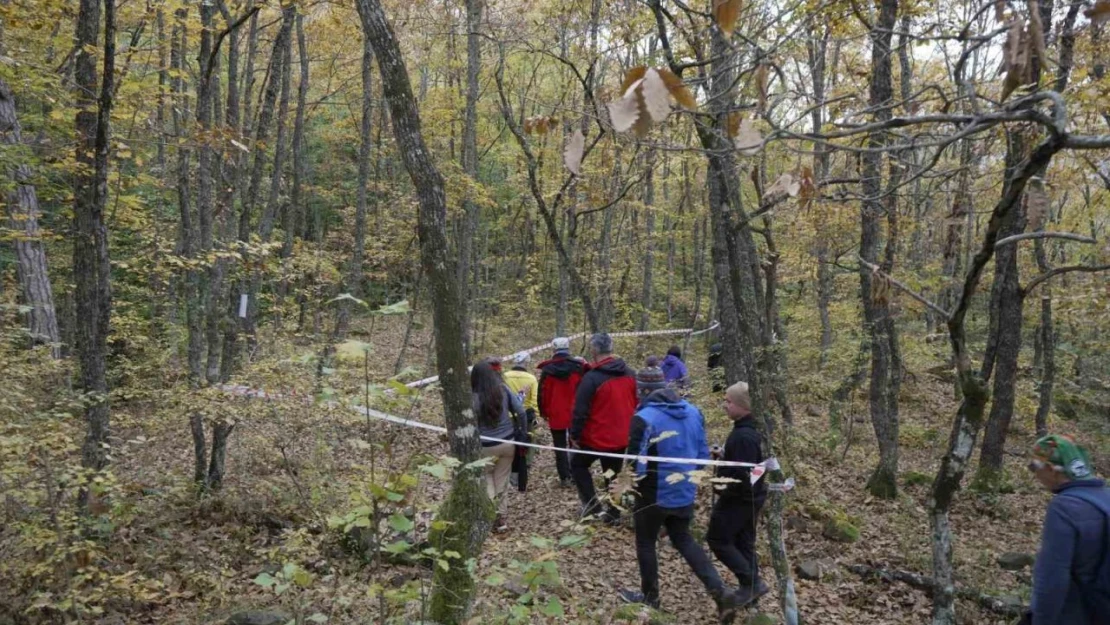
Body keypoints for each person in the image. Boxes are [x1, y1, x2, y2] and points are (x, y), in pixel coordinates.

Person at [617, 366, 742, 620]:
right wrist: (689, 483)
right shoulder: (694, 411)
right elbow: (701, 454)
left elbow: (634, 459)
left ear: (643, 391)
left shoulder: (644, 417)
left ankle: (650, 598)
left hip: (652, 491)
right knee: (683, 539)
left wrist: (628, 487)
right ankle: (720, 592)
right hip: (684, 489)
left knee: (645, 542)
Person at [1022, 434, 1110, 625]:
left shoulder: (1064, 508)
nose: (1034, 474)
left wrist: (1041, 620)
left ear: (1053, 470)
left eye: (1034, 466)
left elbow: (1052, 577)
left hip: (1076, 613)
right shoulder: (1106, 497)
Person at [707, 382, 769, 606]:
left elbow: (745, 474)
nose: (725, 405)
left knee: (717, 538)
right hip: (748, 498)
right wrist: (723, 456)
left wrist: (726, 487)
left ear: (743, 405)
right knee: (743, 544)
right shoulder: (744, 431)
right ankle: (751, 594)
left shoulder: (744, 436)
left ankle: (751, 583)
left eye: (729, 402)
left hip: (739, 499)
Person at [570, 332, 638, 524]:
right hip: (621, 437)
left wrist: (574, 435)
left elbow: (580, 410)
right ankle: (613, 513)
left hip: (595, 438)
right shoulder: (630, 373)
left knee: (578, 465)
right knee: (611, 473)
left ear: (593, 350)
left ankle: (592, 506)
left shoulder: (592, 378)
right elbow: (637, 402)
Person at [471, 360, 525, 532]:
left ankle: (490, 515)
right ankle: (501, 518)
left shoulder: (472, 397)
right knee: (502, 479)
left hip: (484, 445)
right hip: (508, 442)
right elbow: (521, 411)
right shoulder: (503, 389)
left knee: (487, 478)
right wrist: (522, 431)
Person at [537, 337, 586, 488]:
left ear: (554, 349)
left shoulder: (548, 370)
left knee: (559, 447)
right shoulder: (579, 367)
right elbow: (585, 390)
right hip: (575, 413)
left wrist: (544, 412)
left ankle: (565, 477)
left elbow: (543, 393)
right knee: (575, 444)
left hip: (556, 412)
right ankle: (577, 474)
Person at [503, 352, 539, 492]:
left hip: (509, 414)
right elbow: (535, 398)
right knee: (528, 439)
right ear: (526, 362)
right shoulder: (531, 378)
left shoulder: (504, 376)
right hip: (526, 414)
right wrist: (536, 414)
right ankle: (527, 463)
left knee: (510, 439)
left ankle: (511, 465)